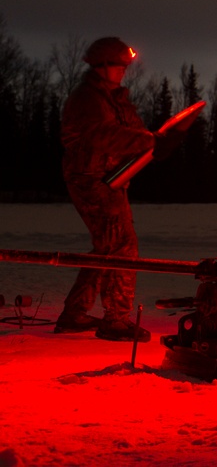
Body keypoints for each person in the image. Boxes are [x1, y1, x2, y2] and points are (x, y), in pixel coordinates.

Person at [55, 37, 182, 341]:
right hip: (91, 178)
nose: (124, 71)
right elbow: (104, 135)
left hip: (110, 178)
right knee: (122, 246)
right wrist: (150, 142)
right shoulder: (88, 98)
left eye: (126, 66)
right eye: (119, 66)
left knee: (107, 247)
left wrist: (155, 141)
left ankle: (74, 314)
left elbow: (132, 132)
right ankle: (115, 320)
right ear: (102, 66)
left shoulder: (115, 99)